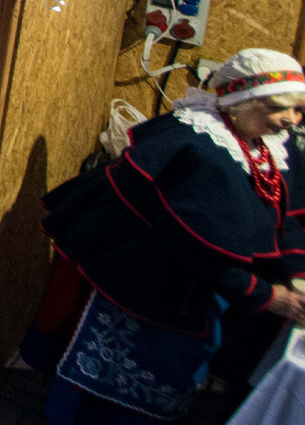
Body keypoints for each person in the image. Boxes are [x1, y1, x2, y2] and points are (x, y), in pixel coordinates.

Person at [30, 49, 305, 423]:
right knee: (115, 381)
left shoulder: (268, 147)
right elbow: (202, 250)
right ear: (240, 102)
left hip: (193, 290)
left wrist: (298, 273)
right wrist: (269, 297)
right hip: (148, 284)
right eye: (280, 108)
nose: (291, 120)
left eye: (298, 110)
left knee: (168, 376)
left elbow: (284, 212)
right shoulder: (199, 150)